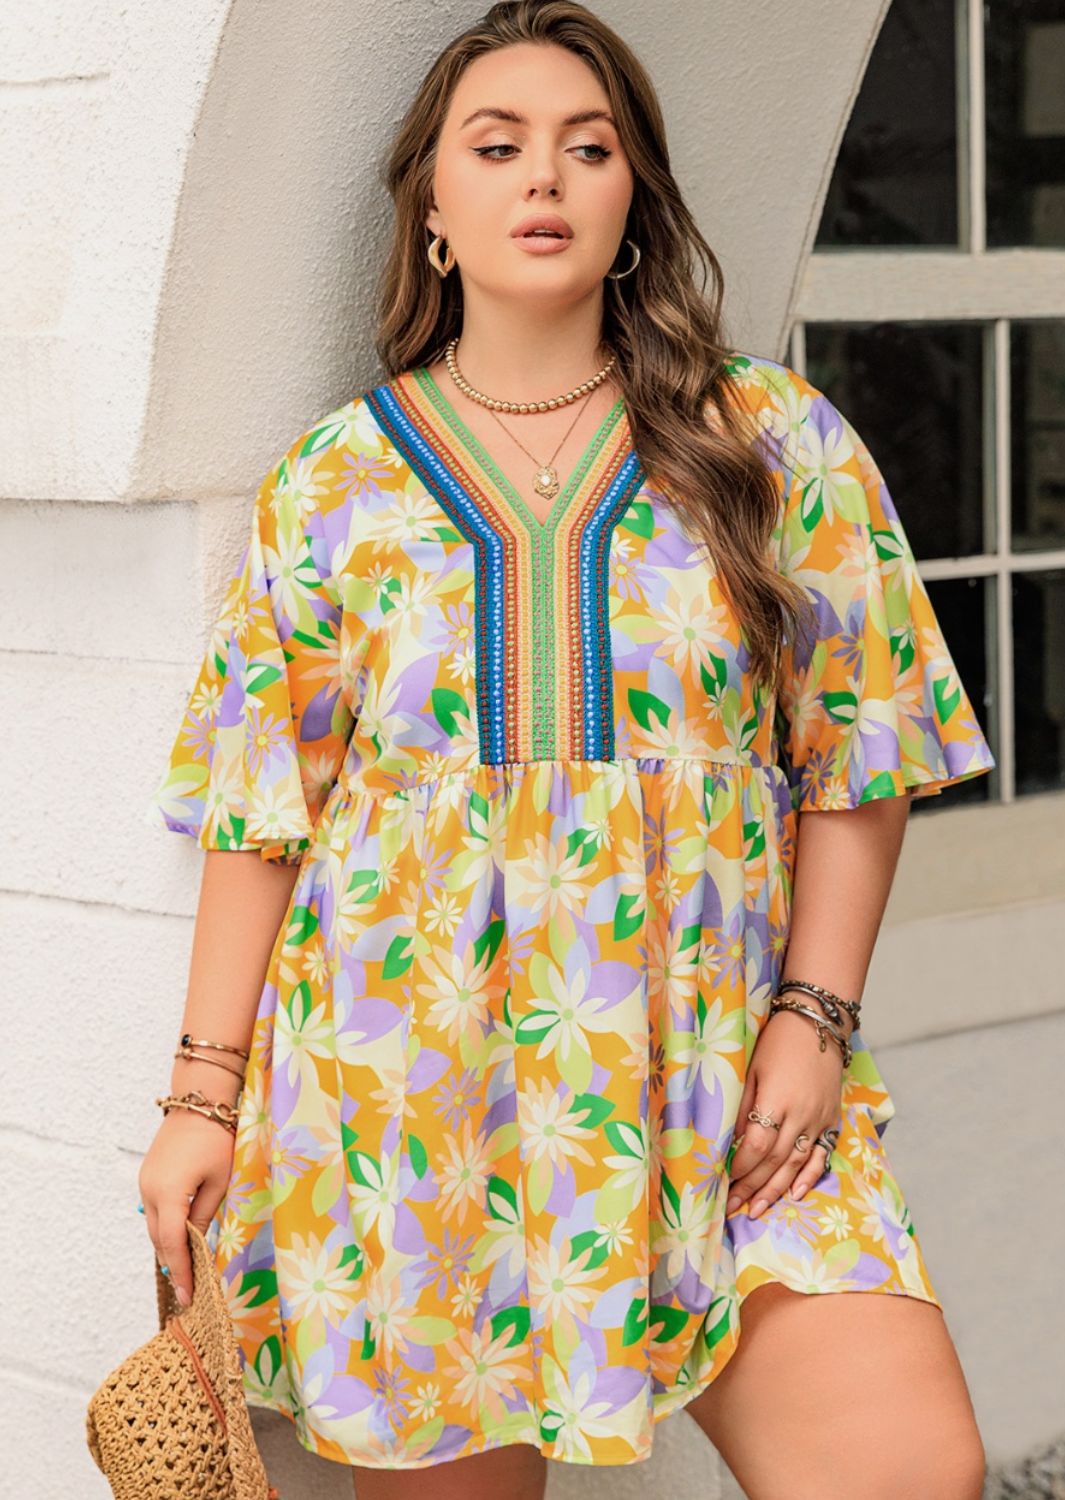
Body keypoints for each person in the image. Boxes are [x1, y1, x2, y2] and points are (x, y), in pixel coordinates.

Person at [138, 3, 997, 1497]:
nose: (544, 175)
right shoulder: (333, 480)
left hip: (720, 1079)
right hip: (409, 1093)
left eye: (587, 148)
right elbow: (261, 808)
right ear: (432, 211)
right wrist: (200, 1103)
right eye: (498, 145)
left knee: (909, 1469)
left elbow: (860, 749)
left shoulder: (772, 440)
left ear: (632, 203)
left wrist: (813, 1016)